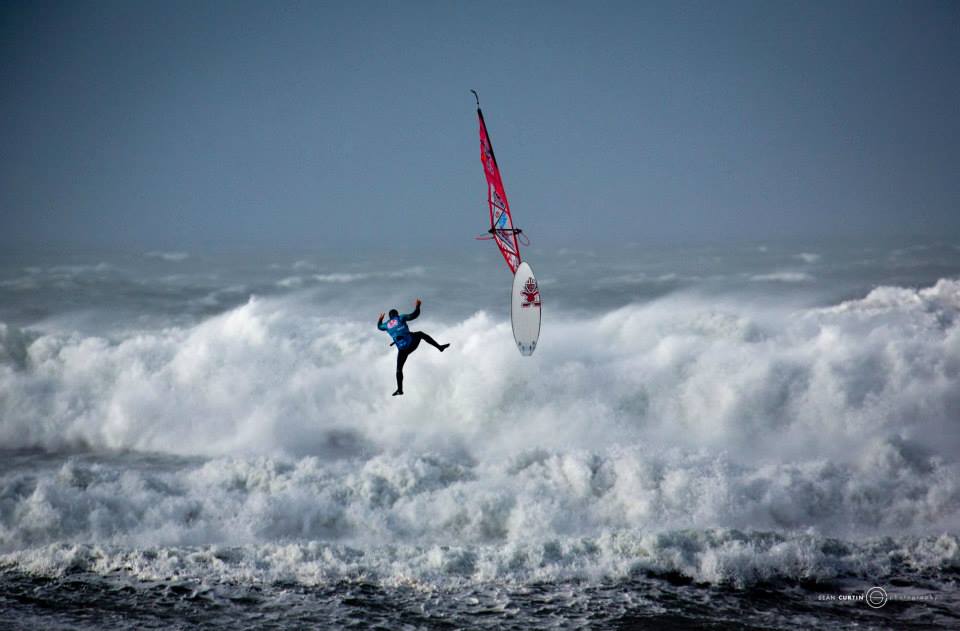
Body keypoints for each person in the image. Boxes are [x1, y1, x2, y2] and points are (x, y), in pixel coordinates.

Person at [378, 298, 449, 396]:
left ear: (389, 317)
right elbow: (414, 315)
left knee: (399, 370)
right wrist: (418, 306)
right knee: (420, 334)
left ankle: (400, 389)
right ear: (396, 314)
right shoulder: (400, 317)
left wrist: (380, 320)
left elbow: (379, 326)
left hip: (402, 350)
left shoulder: (386, 325)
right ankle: (439, 347)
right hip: (411, 344)